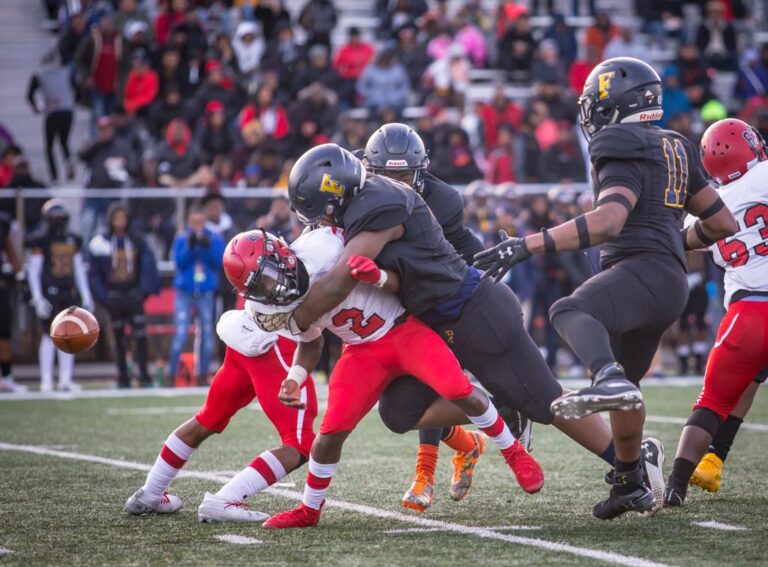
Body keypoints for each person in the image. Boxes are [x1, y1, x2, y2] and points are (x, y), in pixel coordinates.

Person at [258, 143, 642, 516]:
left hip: (473, 312)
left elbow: (341, 278)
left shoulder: (385, 201)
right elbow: (386, 278)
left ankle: (630, 467)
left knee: (546, 401)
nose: (321, 222)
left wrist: (293, 317)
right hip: (429, 320)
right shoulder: (359, 199)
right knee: (398, 412)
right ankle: (501, 405)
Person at [473, 57, 737, 519]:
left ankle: (605, 377)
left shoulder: (618, 142)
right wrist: (675, 242)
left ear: (616, 104)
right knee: (628, 393)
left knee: (569, 311)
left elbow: (609, 221)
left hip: (640, 270)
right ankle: (630, 482)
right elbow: (720, 222)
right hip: (667, 281)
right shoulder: (676, 144)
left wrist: (526, 245)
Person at [235, 227, 541, 530]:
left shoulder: (324, 247)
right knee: (330, 432)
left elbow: (402, 276)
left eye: (268, 276)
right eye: (259, 287)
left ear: (282, 254)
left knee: (456, 388)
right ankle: (309, 509)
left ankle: (513, 452)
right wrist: (295, 376)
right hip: (360, 350)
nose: (271, 288)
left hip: (405, 329)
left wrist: (378, 277)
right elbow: (311, 341)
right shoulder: (267, 306)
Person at [125, 306, 318, 520]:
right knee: (299, 443)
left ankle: (150, 492)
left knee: (207, 418)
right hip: (276, 342)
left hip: (246, 332)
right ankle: (223, 500)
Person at [664, 119, 768, 507]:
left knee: (710, 402)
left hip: (747, 314)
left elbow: (684, 240)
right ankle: (711, 461)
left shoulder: (710, 204)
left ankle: (676, 484)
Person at [26, 200, 95, 393]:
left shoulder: (73, 239)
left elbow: (79, 269)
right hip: (50, 293)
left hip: (68, 292)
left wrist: (86, 294)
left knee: (71, 336)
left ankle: (65, 379)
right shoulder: (41, 239)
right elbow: (34, 270)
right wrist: (37, 297)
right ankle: (46, 380)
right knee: (48, 337)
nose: (58, 221)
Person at [89, 203, 160, 389]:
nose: (120, 222)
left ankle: (143, 374)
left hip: (133, 294)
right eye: (116, 218)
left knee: (141, 335)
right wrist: (104, 297)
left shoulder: (136, 241)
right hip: (114, 296)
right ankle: (123, 376)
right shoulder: (100, 243)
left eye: (123, 218)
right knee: (119, 338)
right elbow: (95, 274)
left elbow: (147, 266)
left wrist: (142, 292)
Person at [168, 206, 225, 385]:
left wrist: (206, 245)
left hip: (206, 293)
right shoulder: (182, 239)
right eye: (194, 223)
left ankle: (202, 376)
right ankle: (172, 376)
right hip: (184, 293)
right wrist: (190, 246)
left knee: (208, 337)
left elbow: (219, 261)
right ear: (188, 223)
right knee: (181, 334)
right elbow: (179, 263)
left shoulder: (213, 237)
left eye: (200, 222)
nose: (197, 226)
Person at [26, 50, 77, 183]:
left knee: (49, 145)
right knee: (64, 141)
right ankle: (68, 161)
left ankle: (54, 175)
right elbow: (77, 88)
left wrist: (36, 107)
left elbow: (29, 95)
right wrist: (71, 102)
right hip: (67, 111)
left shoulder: (40, 75)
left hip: (52, 111)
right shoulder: (66, 73)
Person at [0, 210, 26, 392]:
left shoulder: (2, 222)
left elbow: (9, 249)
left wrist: (21, 276)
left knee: (4, 333)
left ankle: (7, 377)